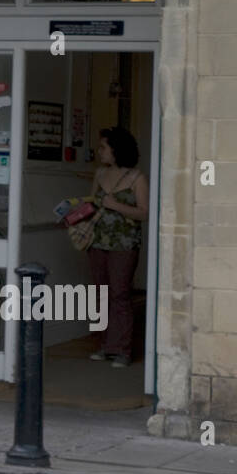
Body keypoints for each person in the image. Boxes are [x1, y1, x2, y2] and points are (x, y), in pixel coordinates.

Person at [86, 126, 148, 368]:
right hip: (98, 241)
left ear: (116, 149)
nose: (99, 151)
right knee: (101, 293)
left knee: (120, 294)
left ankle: (122, 349)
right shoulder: (100, 174)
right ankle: (104, 345)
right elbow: (91, 204)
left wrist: (115, 205)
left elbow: (144, 213)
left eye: (103, 147)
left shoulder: (136, 178)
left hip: (124, 243)